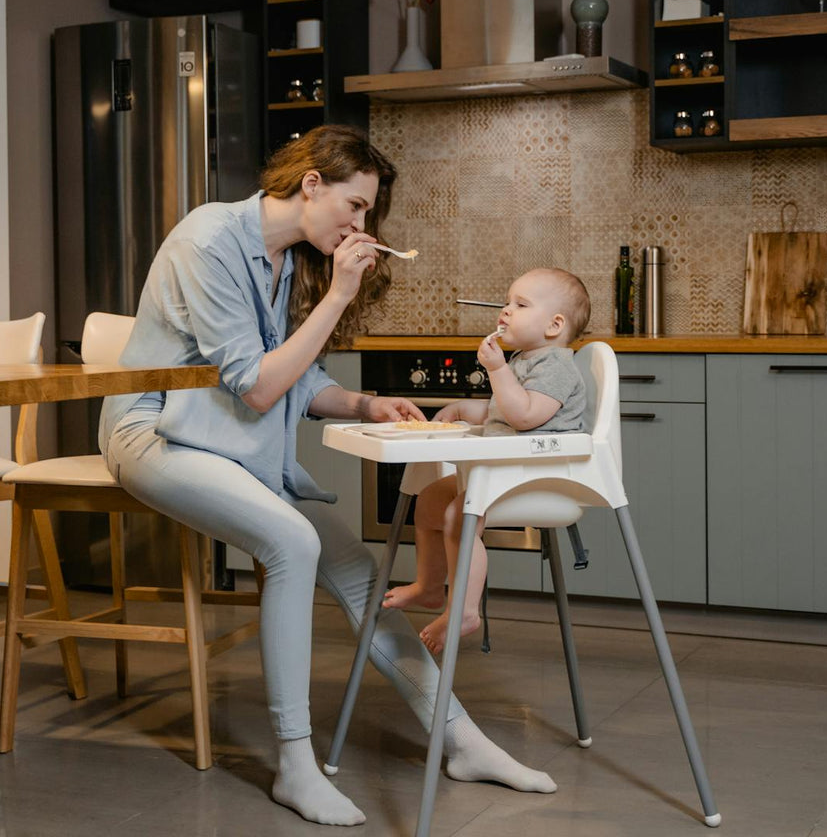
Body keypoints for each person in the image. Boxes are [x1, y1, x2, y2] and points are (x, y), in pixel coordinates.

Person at [99, 125, 556, 828]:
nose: (360, 225)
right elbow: (256, 386)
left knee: (354, 563)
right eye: (355, 205)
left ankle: (458, 737)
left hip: (224, 445)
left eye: (367, 214)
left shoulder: (280, 257)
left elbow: (293, 378)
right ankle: (294, 763)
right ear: (311, 184)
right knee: (293, 543)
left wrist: (364, 402)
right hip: (153, 433)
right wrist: (340, 295)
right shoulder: (209, 241)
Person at [382, 268, 590, 654]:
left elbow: (524, 416)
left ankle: (465, 610)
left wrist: (495, 369)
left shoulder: (557, 367)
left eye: (520, 304)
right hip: (506, 469)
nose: (505, 310)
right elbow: (501, 412)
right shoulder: (525, 361)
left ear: (554, 325)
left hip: (539, 475)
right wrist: (465, 408)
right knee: (430, 499)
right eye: (507, 302)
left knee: (459, 514)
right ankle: (429, 586)